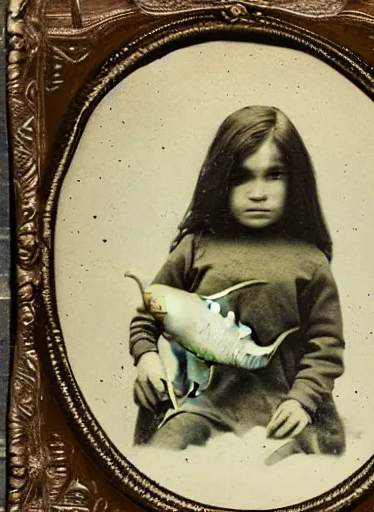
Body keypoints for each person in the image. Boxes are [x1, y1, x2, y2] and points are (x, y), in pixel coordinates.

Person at [129, 105, 346, 462]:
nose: (257, 192)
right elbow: (147, 316)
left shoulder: (310, 261)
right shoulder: (195, 248)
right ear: (219, 179)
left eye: (274, 175)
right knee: (162, 458)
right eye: (240, 177)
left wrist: (302, 400)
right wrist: (147, 358)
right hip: (204, 407)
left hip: (283, 409)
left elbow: (325, 345)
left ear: (296, 180)